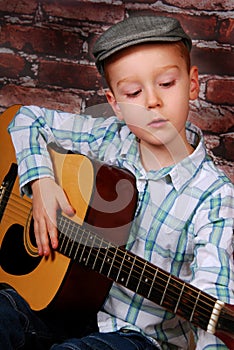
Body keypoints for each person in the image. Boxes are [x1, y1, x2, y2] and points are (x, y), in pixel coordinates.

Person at [3, 14, 233, 350]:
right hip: (66, 306)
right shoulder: (110, 136)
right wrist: (40, 184)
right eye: (133, 92)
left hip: (139, 338)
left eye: (167, 84)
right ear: (116, 105)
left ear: (193, 84)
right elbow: (25, 118)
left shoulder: (214, 197)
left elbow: (214, 297)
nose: (152, 101)